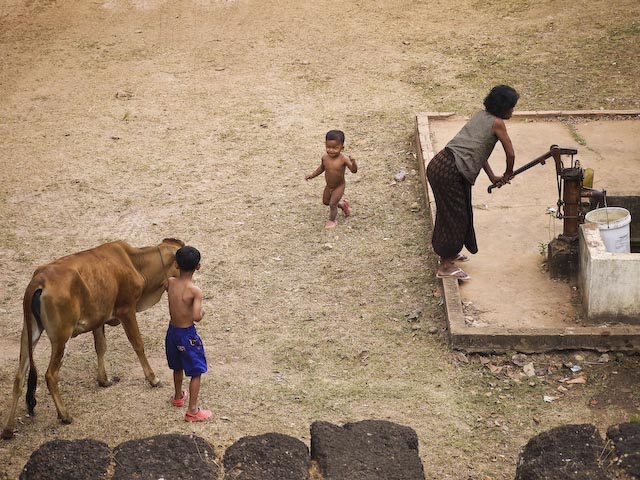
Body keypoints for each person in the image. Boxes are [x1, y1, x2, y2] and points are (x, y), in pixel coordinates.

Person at [426, 85, 519, 281]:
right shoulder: (497, 123)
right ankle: (445, 266)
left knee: (449, 212)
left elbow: (477, 152)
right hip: (451, 171)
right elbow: (510, 153)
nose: (512, 111)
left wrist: (492, 176)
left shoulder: (480, 115)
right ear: (503, 107)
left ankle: (448, 253)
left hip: (440, 163)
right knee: (456, 216)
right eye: (511, 107)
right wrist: (508, 173)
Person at [165, 245, 212, 422]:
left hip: (172, 332)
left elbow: (166, 288)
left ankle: (178, 396)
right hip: (187, 336)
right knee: (196, 371)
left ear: (176, 265)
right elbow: (196, 316)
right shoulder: (194, 291)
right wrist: (202, 312)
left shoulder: (170, 282)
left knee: (177, 366)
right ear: (198, 267)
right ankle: (193, 410)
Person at [305, 129, 358, 229]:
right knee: (326, 202)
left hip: (339, 186)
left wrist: (354, 162)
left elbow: (353, 170)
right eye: (328, 147)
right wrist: (312, 175)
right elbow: (321, 168)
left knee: (332, 204)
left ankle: (332, 220)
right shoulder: (325, 157)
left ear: (342, 148)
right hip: (329, 185)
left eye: (335, 148)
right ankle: (342, 205)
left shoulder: (343, 159)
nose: (331, 150)